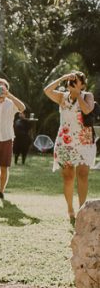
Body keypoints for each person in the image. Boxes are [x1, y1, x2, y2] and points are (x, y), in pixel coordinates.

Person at [44, 70, 96, 224]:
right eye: (71, 80)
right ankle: (70, 209)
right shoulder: (62, 97)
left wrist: (78, 94)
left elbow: (87, 109)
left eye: (76, 80)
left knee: (82, 174)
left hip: (84, 140)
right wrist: (63, 77)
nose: (72, 82)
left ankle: (81, 209)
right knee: (67, 176)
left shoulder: (87, 96)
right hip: (65, 141)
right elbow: (46, 90)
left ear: (83, 85)